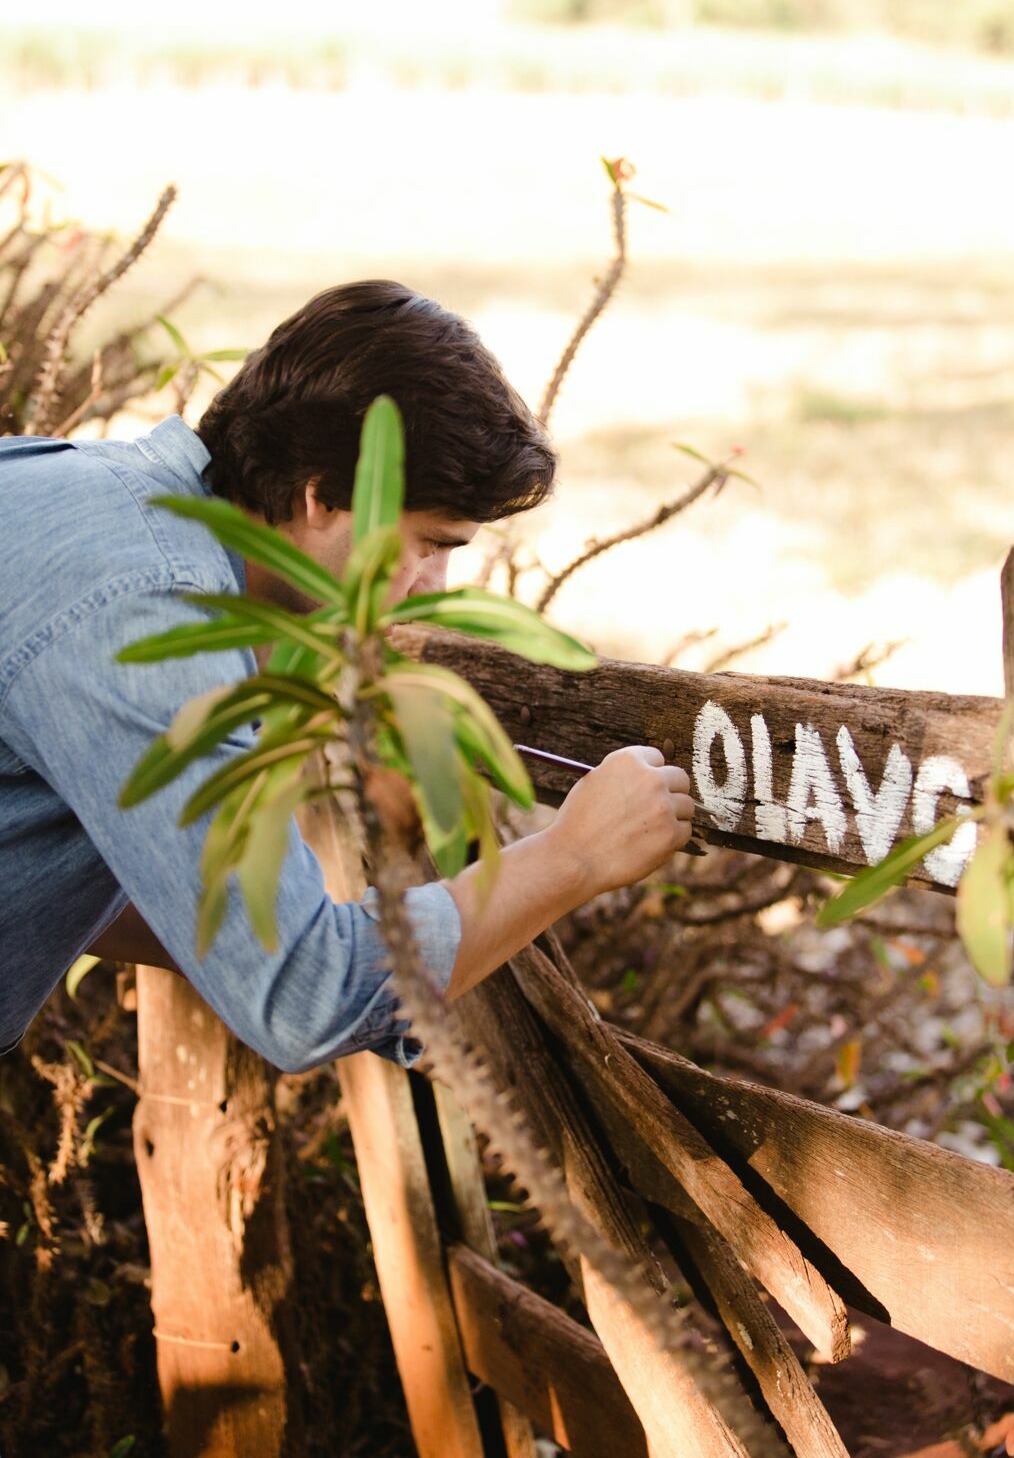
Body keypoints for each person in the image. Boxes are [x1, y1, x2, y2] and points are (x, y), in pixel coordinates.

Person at [0, 280, 695, 1072]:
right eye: (430, 542)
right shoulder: (147, 609)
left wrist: (252, 943)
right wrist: (573, 855)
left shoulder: (85, 498)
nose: (431, 588)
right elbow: (304, 998)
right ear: (324, 494)